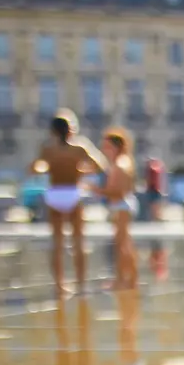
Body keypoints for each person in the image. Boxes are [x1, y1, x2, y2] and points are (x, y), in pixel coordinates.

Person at [29, 111, 106, 295]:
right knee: (78, 241)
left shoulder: (47, 148)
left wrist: (48, 168)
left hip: (55, 192)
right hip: (72, 191)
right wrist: (81, 169)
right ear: (71, 129)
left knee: (57, 242)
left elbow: (35, 167)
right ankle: (80, 283)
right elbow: (100, 165)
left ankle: (59, 284)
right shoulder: (79, 148)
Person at [100, 128, 138, 290]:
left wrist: (95, 189)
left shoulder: (121, 164)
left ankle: (127, 279)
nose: (104, 150)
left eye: (107, 146)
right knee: (123, 244)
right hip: (121, 205)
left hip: (121, 205)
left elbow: (117, 191)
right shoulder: (122, 161)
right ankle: (125, 278)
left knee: (122, 245)